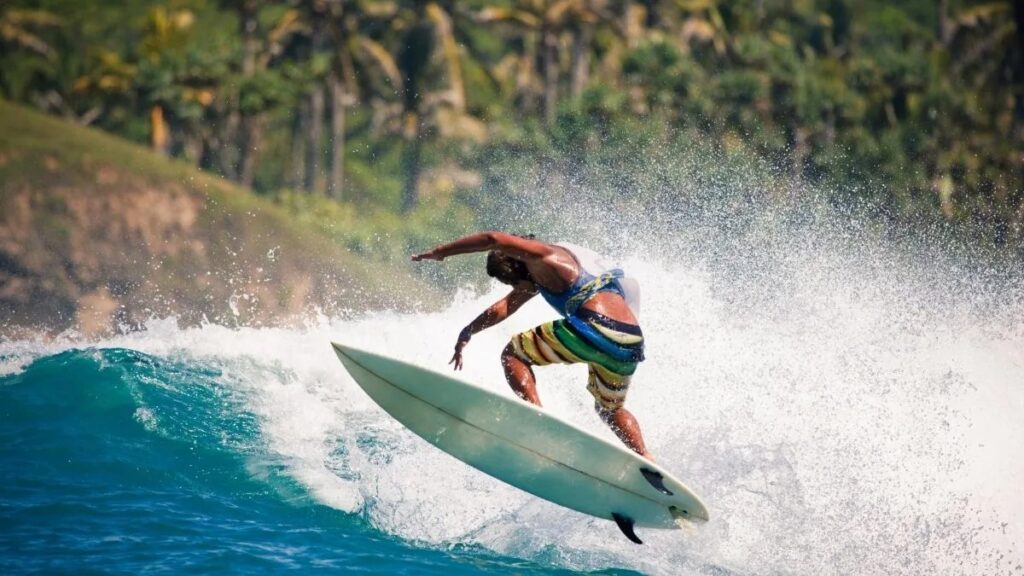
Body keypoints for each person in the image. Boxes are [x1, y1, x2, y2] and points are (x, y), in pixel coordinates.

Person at [412, 231, 653, 460]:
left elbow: (492, 238)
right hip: (630, 344)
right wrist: (469, 331)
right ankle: (645, 457)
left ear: (517, 265)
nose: (517, 288)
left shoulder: (545, 257)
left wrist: (441, 252)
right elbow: (506, 306)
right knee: (609, 409)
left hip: (597, 328)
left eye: (512, 282)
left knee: (513, 353)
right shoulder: (547, 272)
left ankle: (538, 418)